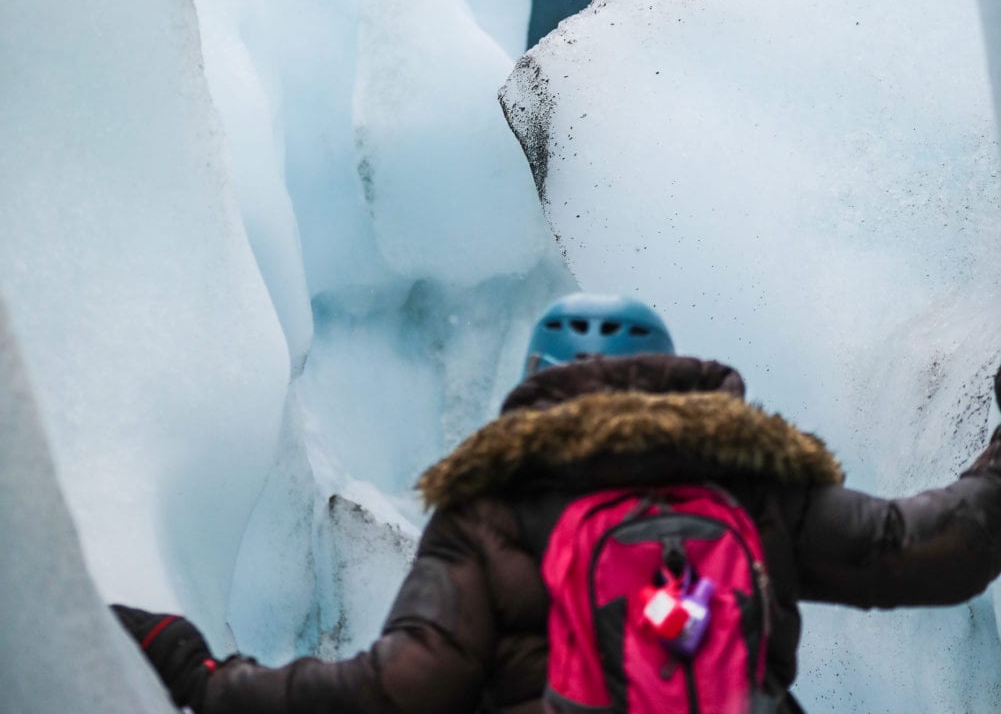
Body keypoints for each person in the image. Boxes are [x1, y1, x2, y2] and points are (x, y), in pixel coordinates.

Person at [114, 292, 1001, 713]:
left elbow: (399, 691)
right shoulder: (745, 482)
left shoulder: (489, 512)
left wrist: (204, 678)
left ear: (534, 380)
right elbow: (932, 546)